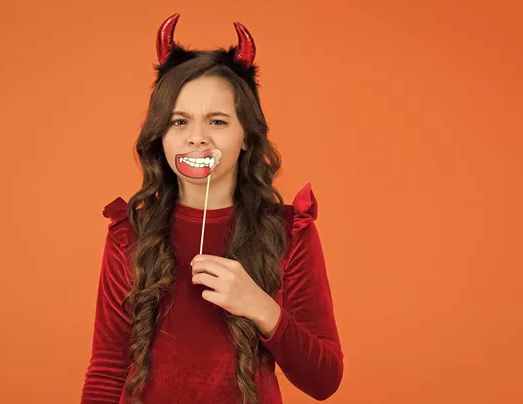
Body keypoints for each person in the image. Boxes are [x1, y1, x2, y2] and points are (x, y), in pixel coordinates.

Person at [81, 13, 343, 404]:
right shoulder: (129, 233)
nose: (197, 138)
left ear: (245, 138)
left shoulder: (289, 232)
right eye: (179, 122)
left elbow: (324, 380)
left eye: (218, 121)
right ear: (160, 136)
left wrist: (259, 306)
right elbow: (106, 371)